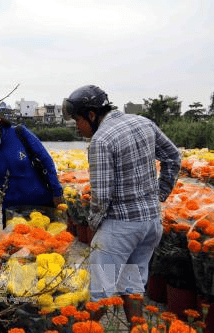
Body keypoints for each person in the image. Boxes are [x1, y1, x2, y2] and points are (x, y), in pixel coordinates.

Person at [62, 85, 181, 322]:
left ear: (92, 115)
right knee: (133, 286)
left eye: (77, 119)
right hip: (150, 226)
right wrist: (159, 195)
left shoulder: (101, 139)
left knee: (100, 294)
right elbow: (173, 156)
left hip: (120, 230)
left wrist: (94, 226)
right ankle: (137, 327)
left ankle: (87, 328)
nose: (77, 126)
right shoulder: (143, 122)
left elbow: (102, 196)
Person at [0, 110, 64, 228]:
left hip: (42, 204)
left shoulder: (20, 134)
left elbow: (47, 161)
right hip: (12, 211)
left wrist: (57, 192)